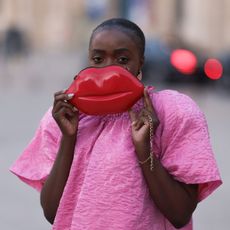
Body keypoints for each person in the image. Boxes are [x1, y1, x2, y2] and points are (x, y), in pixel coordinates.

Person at [10, 18, 222, 230]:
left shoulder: (174, 112)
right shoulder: (63, 117)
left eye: (122, 60)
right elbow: (53, 213)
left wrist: (144, 149)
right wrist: (68, 138)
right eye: (98, 59)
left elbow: (180, 214)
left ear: (141, 62)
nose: (108, 71)